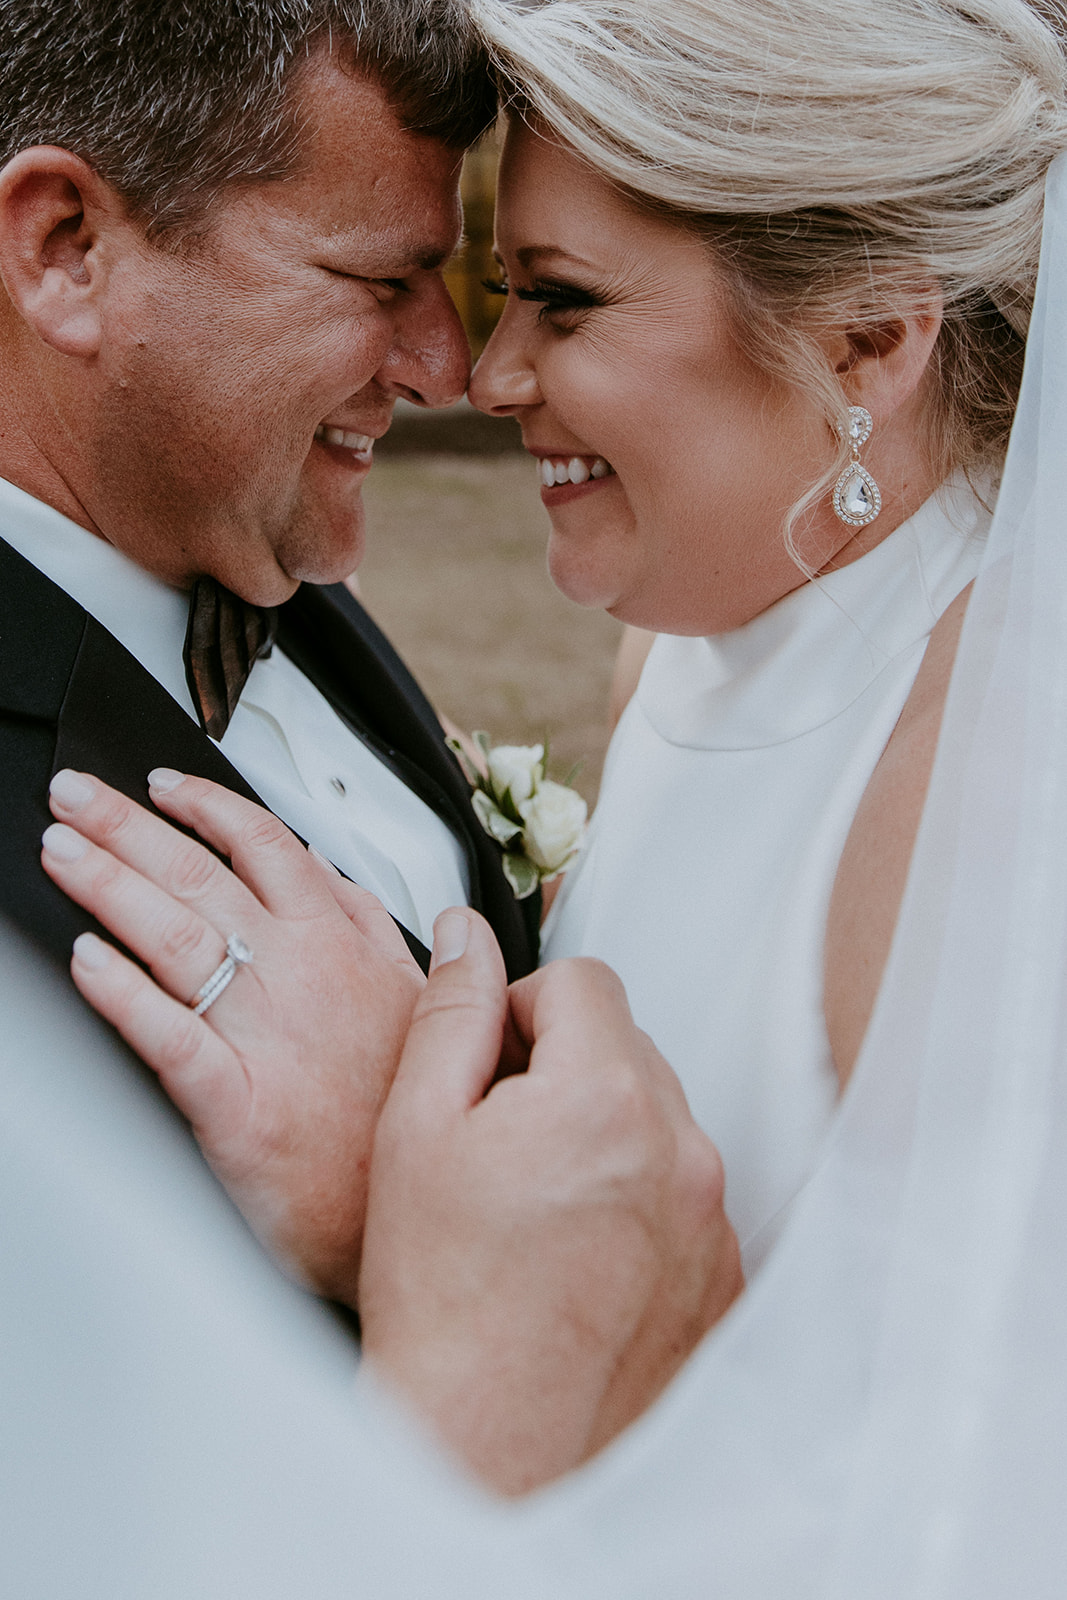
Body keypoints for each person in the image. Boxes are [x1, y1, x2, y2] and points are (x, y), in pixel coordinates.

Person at [34, 0, 1067, 1574]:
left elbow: (958, 1516)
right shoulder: (672, 653)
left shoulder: (992, 809)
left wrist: (400, 1225)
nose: (483, 369)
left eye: (561, 303)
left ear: (870, 335)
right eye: (467, 285)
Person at [0, 0, 742, 1523]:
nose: (453, 365)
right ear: (66, 246)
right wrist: (406, 1230)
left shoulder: (251, 530)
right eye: (386, 278)